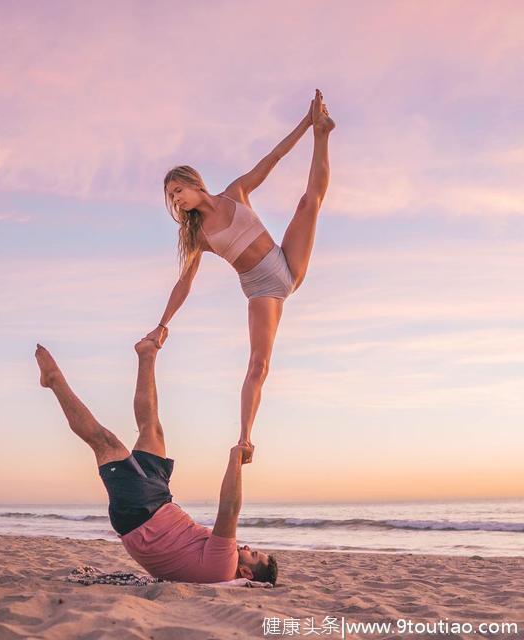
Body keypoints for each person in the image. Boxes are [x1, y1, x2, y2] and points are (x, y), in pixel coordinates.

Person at [144, 89, 335, 461]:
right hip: (264, 288)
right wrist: (162, 324)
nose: (176, 200)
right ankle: (246, 437)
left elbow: (274, 157)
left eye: (177, 191)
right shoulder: (198, 236)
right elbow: (184, 284)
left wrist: (307, 123)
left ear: (194, 183)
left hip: (285, 262)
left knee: (308, 201)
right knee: (258, 363)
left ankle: (322, 136)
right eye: (171, 197)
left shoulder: (236, 192)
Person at [35, 340, 278, 585]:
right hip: (158, 501)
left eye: (253, 553)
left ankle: (54, 380)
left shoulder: (224, 566)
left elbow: (229, 510)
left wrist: (236, 457)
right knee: (152, 430)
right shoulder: (218, 568)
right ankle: (146, 355)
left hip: (141, 513)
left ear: (246, 572)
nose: (247, 546)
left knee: (106, 442)